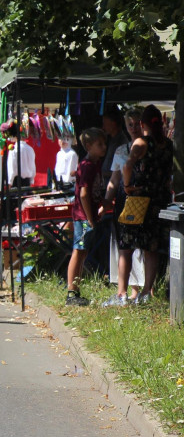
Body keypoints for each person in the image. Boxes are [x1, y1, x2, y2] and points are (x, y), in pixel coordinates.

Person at [116, 104, 174, 305]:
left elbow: (127, 165)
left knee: (126, 246)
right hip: (160, 201)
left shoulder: (141, 142)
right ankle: (147, 292)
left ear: (142, 124)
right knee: (152, 247)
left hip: (139, 199)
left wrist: (126, 186)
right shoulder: (168, 144)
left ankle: (122, 294)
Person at [103, 109, 145, 306]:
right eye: (130, 124)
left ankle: (141, 290)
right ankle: (123, 291)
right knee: (124, 246)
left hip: (145, 200)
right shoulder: (121, 150)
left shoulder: (152, 148)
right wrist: (105, 202)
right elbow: (114, 179)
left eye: (137, 123)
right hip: (124, 201)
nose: (134, 128)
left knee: (142, 246)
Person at [65, 128, 107, 306]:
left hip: (87, 216)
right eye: (100, 144)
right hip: (83, 216)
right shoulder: (87, 166)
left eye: (104, 143)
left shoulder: (95, 164)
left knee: (83, 252)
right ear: (89, 146)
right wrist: (90, 218)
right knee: (79, 251)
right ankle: (71, 292)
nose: (104, 147)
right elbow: (83, 194)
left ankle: (76, 290)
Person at [4, 121, 36, 187]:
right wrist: (31, 180)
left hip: (16, 182)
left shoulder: (14, 149)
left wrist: (10, 181)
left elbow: (11, 167)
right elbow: (33, 166)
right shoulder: (30, 149)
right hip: (27, 182)